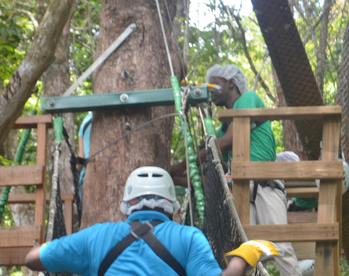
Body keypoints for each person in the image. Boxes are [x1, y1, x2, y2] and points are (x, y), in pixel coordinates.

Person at [25, 166, 276, 276]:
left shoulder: (96, 236)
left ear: (127, 206)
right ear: (171, 206)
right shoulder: (188, 237)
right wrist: (242, 258)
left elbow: (32, 259)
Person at [171, 64, 302, 276]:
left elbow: (224, 143)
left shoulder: (247, 99)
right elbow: (211, 168)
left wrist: (176, 167)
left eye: (214, 84)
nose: (210, 91)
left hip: (264, 183)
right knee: (244, 251)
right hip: (241, 188)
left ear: (231, 83)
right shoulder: (226, 124)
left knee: (280, 246)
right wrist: (175, 175)